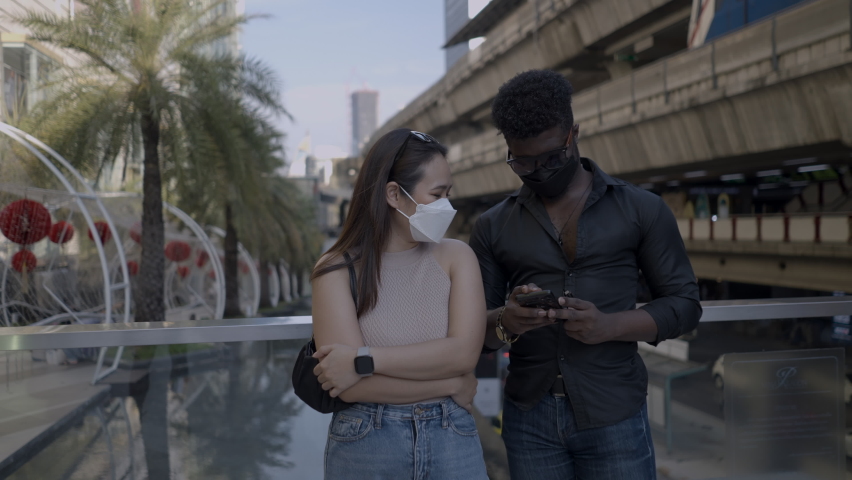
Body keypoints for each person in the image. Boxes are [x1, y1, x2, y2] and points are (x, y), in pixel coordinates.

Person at [469, 69, 702, 479]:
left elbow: (684, 306)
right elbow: (476, 333)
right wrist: (506, 321)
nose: (539, 172)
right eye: (522, 162)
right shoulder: (492, 225)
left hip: (615, 414)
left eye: (552, 158)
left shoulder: (642, 209)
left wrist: (608, 326)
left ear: (573, 134)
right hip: (529, 419)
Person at [310, 128, 489, 479]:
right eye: (436, 194)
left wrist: (365, 359)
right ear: (394, 194)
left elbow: (464, 354)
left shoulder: (458, 256)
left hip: (451, 435)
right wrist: (450, 384)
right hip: (366, 441)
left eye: (448, 194)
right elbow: (348, 385)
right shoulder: (335, 268)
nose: (446, 206)